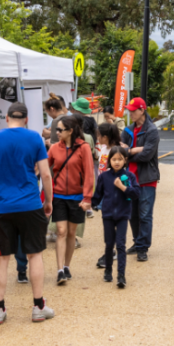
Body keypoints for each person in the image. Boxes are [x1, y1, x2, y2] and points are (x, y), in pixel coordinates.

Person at [0, 102, 55, 325]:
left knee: (2, 258)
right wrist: (48, 201)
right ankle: (38, 306)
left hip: (1, 208)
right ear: (26, 119)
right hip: (30, 204)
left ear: (7, 118)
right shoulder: (35, 139)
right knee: (35, 254)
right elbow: (46, 175)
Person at [49, 115, 95, 285]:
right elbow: (43, 167)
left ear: (70, 131)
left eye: (60, 130)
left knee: (71, 233)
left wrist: (87, 197)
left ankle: (67, 266)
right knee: (61, 231)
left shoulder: (83, 148)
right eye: (56, 129)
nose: (57, 132)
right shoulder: (54, 148)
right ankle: (60, 270)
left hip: (77, 197)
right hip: (58, 196)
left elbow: (89, 173)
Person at [122, 97, 160, 262]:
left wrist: (129, 152)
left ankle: (143, 247)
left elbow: (147, 155)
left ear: (142, 110)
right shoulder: (127, 130)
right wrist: (134, 150)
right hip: (130, 179)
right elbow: (118, 152)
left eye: (133, 110)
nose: (130, 113)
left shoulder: (152, 130)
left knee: (145, 214)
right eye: (129, 110)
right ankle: (137, 243)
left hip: (147, 179)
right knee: (132, 214)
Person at [93, 145, 138, 288]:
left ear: (125, 160)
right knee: (109, 244)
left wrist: (123, 187)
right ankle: (108, 270)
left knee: (121, 244)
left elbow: (136, 194)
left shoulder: (129, 176)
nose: (117, 162)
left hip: (123, 214)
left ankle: (121, 275)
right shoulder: (104, 176)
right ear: (109, 161)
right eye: (114, 159)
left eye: (120, 159)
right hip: (107, 214)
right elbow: (98, 194)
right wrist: (89, 204)